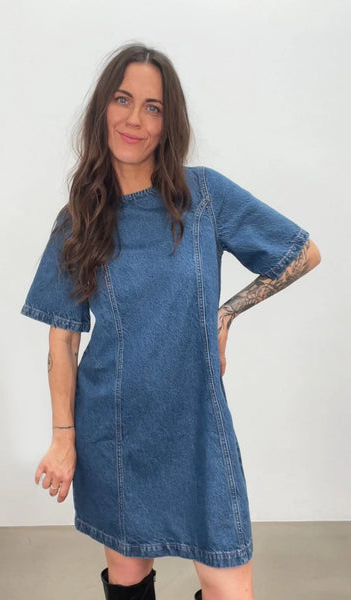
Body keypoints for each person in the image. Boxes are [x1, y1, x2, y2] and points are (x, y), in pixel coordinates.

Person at [20, 42, 321, 600]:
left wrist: (226, 313)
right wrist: (64, 439)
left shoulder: (203, 196)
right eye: (123, 99)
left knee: (231, 589)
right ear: (102, 109)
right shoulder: (80, 219)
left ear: (168, 122)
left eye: (153, 107)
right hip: (114, 429)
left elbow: (301, 253)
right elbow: (62, 340)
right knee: (129, 582)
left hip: (197, 428)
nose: (135, 119)